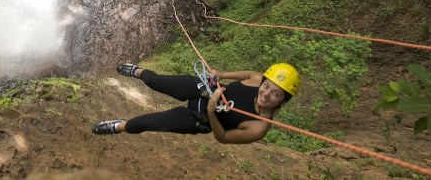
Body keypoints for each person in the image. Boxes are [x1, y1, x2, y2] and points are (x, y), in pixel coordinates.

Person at [91, 62, 300, 144]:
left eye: (276, 94)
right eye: (267, 86)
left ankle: (118, 126)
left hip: (199, 119)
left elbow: (223, 137)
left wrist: (211, 111)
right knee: (155, 80)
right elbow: (248, 73)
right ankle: (137, 71)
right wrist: (221, 73)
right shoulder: (257, 79)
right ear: (263, 81)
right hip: (202, 89)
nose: (266, 94)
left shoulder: (258, 127)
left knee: (146, 123)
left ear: (283, 100)